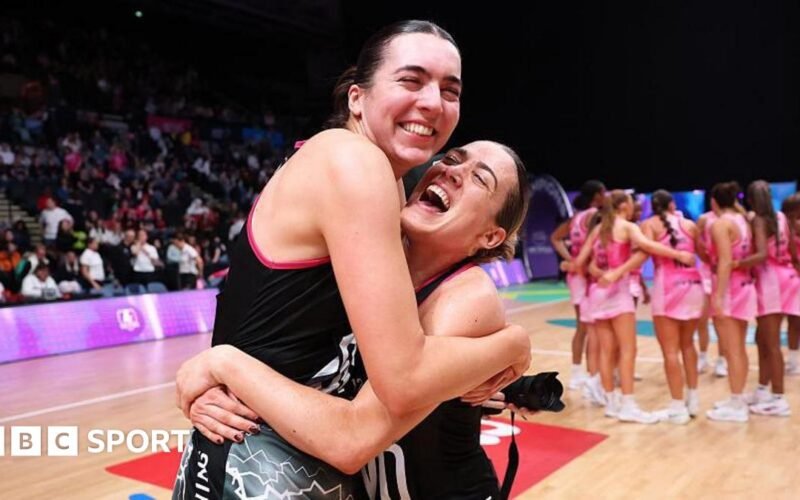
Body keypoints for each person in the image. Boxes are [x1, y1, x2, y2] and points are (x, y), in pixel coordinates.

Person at [172, 20, 529, 499]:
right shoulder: (356, 163)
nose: (432, 101)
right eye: (411, 80)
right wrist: (514, 344)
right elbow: (402, 381)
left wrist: (222, 363)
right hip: (255, 465)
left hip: (276, 457)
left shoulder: (385, 182)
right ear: (357, 98)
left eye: (450, 90)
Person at [567, 190, 694, 424]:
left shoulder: (597, 229)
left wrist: (586, 268)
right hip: (618, 292)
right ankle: (628, 405)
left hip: (597, 292)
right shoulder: (626, 227)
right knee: (628, 350)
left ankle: (611, 404)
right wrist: (678, 254)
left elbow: (579, 263)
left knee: (607, 351)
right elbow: (649, 246)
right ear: (624, 206)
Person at [640, 190, 703, 423]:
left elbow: (644, 250)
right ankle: (693, 399)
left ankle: (677, 407)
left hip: (667, 287)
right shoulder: (690, 225)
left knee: (670, 351)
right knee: (688, 344)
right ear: (672, 204)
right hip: (693, 285)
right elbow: (704, 254)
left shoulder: (649, 225)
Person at [704, 182, 757, 423]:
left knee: (732, 349)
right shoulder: (743, 220)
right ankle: (738, 397)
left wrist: (718, 294)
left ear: (714, 202)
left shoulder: (720, 224)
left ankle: (737, 405)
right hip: (745, 286)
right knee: (738, 348)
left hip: (731, 289)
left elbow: (725, 261)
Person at [549, 180, 605, 393]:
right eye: (603, 193)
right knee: (591, 328)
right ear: (597, 195)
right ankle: (591, 377)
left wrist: (570, 259)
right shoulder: (595, 216)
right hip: (586, 276)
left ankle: (577, 374)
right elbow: (592, 247)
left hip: (576, 276)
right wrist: (578, 262)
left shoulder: (575, 218)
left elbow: (555, 238)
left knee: (583, 327)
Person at [746, 181, 797, 416]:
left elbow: (761, 254)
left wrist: (734, 264)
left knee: (772, 343)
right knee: (762, 338)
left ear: (751, 200)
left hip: (770, 282)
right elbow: (793, 252)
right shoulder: (781, 217)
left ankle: (778, 398)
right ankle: (762, 389)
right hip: (787, 277)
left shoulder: (758, 220)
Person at [782, 193, 800, 375]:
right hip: (790, 279)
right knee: (794, 322)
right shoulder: (785, 229)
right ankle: (794, 360)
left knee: (795, 322)